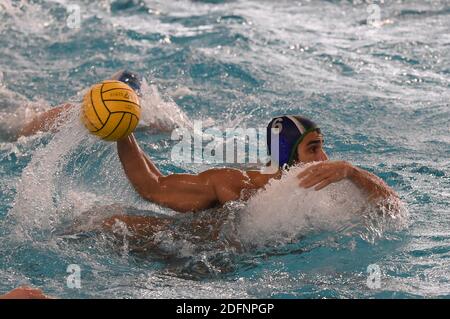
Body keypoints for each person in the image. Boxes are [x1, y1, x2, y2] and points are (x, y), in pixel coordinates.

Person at [100, 115, 399, 236]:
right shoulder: (235, 184)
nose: (325, 159)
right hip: (187, 252)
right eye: (313, 149)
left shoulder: (332, 184)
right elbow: (153, 187)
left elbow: (392, 209)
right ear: (287, 156)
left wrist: (353, 172)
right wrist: (121, 130)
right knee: (105, 223)